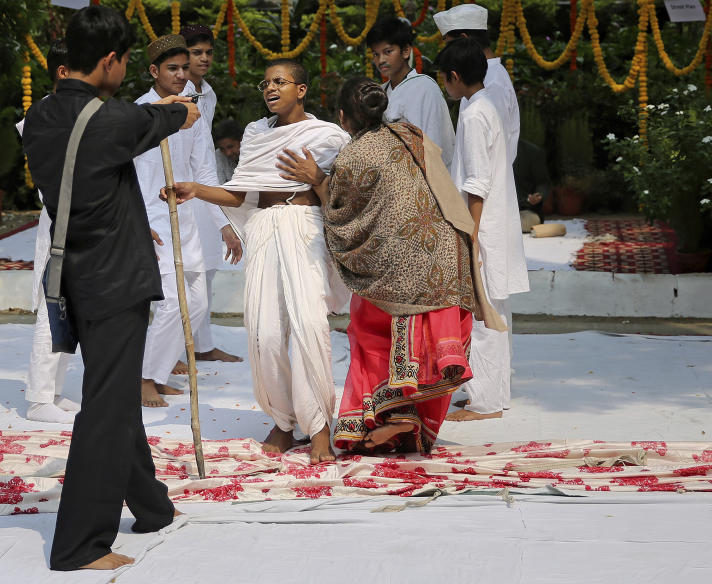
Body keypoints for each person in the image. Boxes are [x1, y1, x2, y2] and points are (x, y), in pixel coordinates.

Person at [23, 6, 199, 571]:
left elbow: (146, 118)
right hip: (115, 278)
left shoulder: (42, 115)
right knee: (105, 408)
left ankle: (152, 507)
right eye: (125, 61)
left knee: (115, 395)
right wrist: (185, 107)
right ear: (108, 61)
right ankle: (79, 543)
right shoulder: (111, 120)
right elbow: (166, 119)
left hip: (74, 275)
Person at [277, 77, 504, 453]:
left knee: (370, 332)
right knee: (420, 345)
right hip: (446, 253)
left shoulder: (354, 155)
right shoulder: (410, 134)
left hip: (402, 266)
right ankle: (402, 423)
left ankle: (395, 418)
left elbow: (342, 211)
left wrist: (318, 178)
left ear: (343, 117)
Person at [164, 59, 351, 464]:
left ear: (301, 89)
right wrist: (196, 188)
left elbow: (346, 198)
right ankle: (284, 422)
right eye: (265, 82)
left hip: (305, 227)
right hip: (264, 228)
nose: (270, 89)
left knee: (308, 326)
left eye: (279, 82)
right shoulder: (254, 133)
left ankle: (319, 427)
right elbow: (240, 195)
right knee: (264, 333)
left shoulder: (327, 135)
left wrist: (317, 177)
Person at [134, 34, 242, 407]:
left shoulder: (193, 113)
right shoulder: (139, 112)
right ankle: (144, 378)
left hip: (186, 220)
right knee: (170, 303)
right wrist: (134, 220)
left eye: (184, 68)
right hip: (151, 219)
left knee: (195, 303)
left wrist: (224, 223)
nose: (181, 75)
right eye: (172, 68)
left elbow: (205, 172)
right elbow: (124, 173)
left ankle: (158, 372)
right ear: (154, 71)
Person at [434, 38, 528, 422]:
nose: (443, 86)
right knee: (495, 310)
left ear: (455, 77)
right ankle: (494, 394)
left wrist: (469, 237)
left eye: (443, 79)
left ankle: (485, 403)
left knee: (482, 313)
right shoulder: (487, 102)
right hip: (495, 221)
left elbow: (476, 183)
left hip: (482, 226)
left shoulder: (474, 115)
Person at [22, 38, 80, 423]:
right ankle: (39, 397)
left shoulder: (74, 111)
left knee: (70, 305)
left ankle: (54, 392)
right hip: (61, 216)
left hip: (80, 217)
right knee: (52, 303)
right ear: (63, 72)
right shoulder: (41, 115)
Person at [179, 24, 244, 366]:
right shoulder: (178, 92)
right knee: (186, 273)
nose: (203, 58)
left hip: (202, 187)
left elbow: (203, 153)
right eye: (196, 53)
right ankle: (169, 353)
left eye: (208, 52)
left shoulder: (209, 92)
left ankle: (202, 346)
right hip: (180, 190)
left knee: (206, 268)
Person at [434, 3, 520, 169]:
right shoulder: (485, 74)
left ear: (464, 40)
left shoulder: (493, 80)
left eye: (449, 45)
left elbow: (493, 153)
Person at [366, 16, 455, 170]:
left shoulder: (424, 88)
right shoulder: (381, 90)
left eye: (388, 52)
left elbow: (432, 145)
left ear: (406, 51)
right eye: (376, 54)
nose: (381, 60)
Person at [514, 139, 551, 232]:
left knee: (526, 221)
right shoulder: (490, 151)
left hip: (525, 211)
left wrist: (538, 195)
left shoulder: (532, 152)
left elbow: (543, 183)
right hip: (496, 211)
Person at [213, 118, 243, 183]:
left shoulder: (253, 153)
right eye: (222, 149)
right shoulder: (218, 155)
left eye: (230, 147)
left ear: (241, 140)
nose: (227, 153)